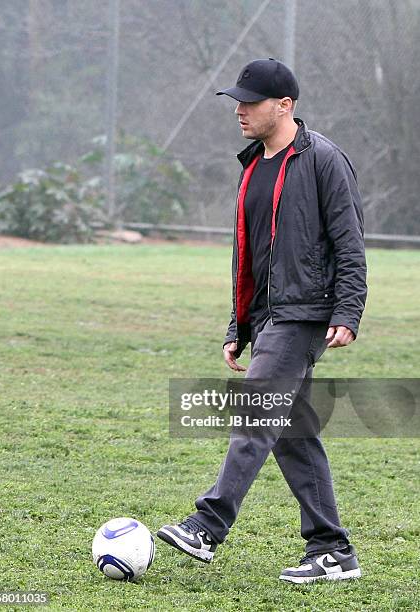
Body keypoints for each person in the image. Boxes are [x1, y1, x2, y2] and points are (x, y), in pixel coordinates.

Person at [158, 58, 367, 584]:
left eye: (250, 101)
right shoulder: (252, 165)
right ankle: (332, 551)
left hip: (305, 313)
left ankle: (207, 525)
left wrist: (348, 310)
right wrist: (239, 324)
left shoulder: (323, 159)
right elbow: (250, 254)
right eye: (237, 101)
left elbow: (349, 241)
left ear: (285, 105)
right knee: (294, 433)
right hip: (269, 317)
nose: (240, 110)